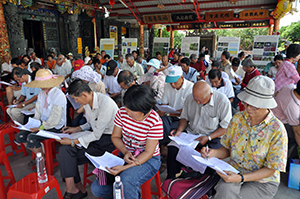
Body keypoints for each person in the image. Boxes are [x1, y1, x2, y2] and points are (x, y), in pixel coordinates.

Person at [202, 76, 288, 199]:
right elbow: (227, 149)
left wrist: (241, 178)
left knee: (228, 195)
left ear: (266, 105)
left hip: (263, 181)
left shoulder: (277, 130)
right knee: (224, 191)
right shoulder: (238, 119)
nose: (247, 108)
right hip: (234, 172)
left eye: (254, 106)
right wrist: (212, 153)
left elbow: (271, 169)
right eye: (246, 103)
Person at [91, 84, 163, 199]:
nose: (128, 113)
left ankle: (127, 193)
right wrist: (125, 152)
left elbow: (149, 152)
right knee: (98, 188)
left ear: (144, 109)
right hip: (125, 155)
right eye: (127, 109)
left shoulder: (154, 121)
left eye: (132, 111)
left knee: (126, 180)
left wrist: (124, 168)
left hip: (148, 160)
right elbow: (115, 137)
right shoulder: (122, 113)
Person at [57, 79, 117, 199]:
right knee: (65, 151)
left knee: (70, 155)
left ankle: (77, 189)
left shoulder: (106, 104)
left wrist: (73, 141)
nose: (76, 101)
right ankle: (74, 188)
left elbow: (97, 134)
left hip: (109, 140)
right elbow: (91, 123)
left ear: (84, 95)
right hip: (95, 136)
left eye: (76, 98)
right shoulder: (88, 103)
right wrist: (76, 129)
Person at [167, 81, 232, 179]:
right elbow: (184, 118)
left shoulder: (222, 101)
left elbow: (225, 127)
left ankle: (205, 183)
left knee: (208, 157)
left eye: (200, 100)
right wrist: (179, 130)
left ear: (210, 95)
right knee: (173, 148)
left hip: (212, 135)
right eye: (195, 99)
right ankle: (172, 179)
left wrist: (209, 137)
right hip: (192, 133)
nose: (197, 102)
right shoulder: (190, 98)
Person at [15, 69, 66, 165]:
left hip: (56, 126)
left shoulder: (59, 95)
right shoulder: (41, 94)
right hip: (42, 123)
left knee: (32, 137)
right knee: (21, 135)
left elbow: (55, 119)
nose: (41, 87)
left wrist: (40, 128)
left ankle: (42, 160)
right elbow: (38, 112)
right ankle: (41, 156)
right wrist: (33, 123)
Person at [272, 81, 300, 160]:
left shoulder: (289, 87)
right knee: (294, 139)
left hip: (274, 111)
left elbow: (276, 93)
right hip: (278, 122)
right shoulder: (293, 108)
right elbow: (297, 133)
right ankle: (288, 158)